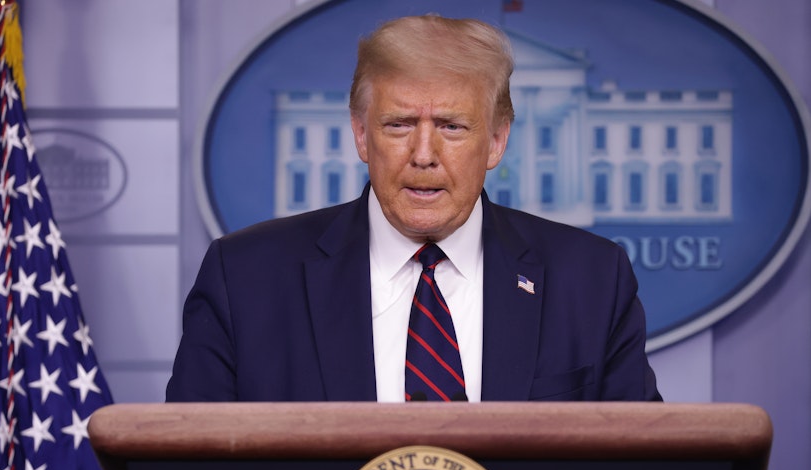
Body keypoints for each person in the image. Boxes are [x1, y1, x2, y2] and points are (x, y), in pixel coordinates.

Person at [166, 15, 661, 403]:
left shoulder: (592, 279)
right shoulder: (247, 279)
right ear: (362, 134)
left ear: (496, 140)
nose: (423, 154)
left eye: (451, 126)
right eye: (399, 124)